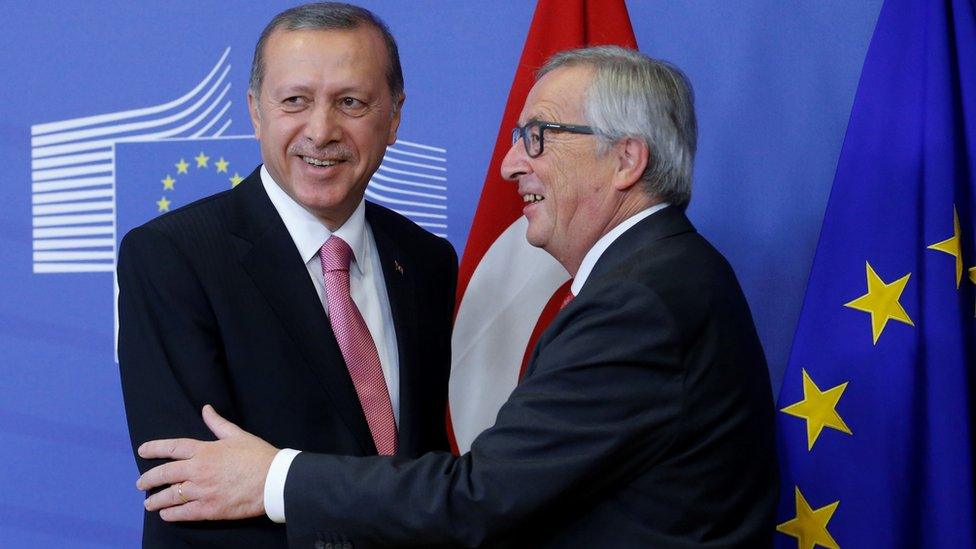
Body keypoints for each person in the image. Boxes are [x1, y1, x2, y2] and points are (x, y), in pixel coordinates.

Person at [135, 46, 778, 548]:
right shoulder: (665, 275)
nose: (509, 165)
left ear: (626, 160)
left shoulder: (639, 300)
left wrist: (273, 477)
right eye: (295, 99)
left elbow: (483, 495)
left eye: (538, 137)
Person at [117, 3, 457, 547]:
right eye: (295, 100)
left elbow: (426, 462)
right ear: (255, 111)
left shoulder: (427, 261)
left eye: (351, 102)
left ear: (394, 117)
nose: (321, 131)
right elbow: (193, 489)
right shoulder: (170, 257)